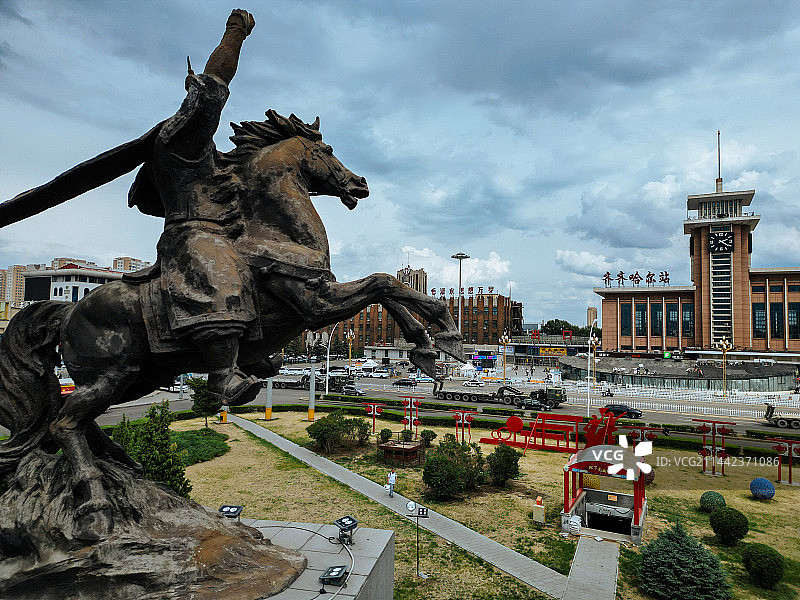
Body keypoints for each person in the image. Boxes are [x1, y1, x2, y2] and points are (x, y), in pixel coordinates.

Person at [129, 10, 261, 405]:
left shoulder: (203, 154)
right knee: (220, 272)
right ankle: (222, 377)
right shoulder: (177, 142)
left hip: (214, 229)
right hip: (191, 233)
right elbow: (216, 84)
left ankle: (256, 350)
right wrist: (235, 33)